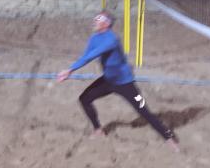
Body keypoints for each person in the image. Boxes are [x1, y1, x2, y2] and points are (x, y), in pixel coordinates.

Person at [56, 11, 179, 152]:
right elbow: (86, 55)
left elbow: (92, 55)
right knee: (84, 99)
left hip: (125, 84)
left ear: (107, 23)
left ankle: (168, 137)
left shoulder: (112, 39)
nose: (95, 21)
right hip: (108, 81)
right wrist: (71, 69)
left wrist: (70, 70)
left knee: (144, 111)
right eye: (95, 18)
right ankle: (98, 130)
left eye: (98, 19)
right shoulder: (94, 38)